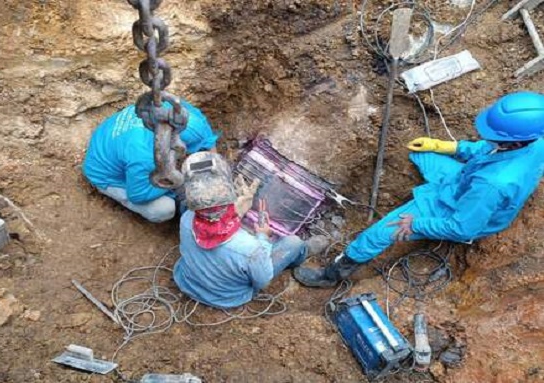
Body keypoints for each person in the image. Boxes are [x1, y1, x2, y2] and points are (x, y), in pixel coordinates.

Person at [294, 91, 544, 288]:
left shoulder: (492, 185)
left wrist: (416, 225)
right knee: (420, 153)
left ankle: (332, 274)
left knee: (379, 234)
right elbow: (486, 151)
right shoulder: (534, 140)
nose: (488, 137)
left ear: (515, 141)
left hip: (455, 208)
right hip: (464, 181)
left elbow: (462, 228)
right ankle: (433, 166)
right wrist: (445, 147)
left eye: (493, 135)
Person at [173, 152, 314, 309]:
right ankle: (300, 257)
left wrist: (236, 213)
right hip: (228, 297)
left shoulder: (186, 218)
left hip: (186, 281)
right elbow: (262, 282)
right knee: (294, 243)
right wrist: (263, 238)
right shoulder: (251, 248)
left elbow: (213, 226)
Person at [82, 101, 218, 223]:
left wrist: (215, 163)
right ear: (174, 145)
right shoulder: (145, 156)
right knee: (164, 208)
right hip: (103, 171)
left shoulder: (173, 109)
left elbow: (205, 134)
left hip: (111, 140)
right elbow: (137, 195)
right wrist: (181, 186)